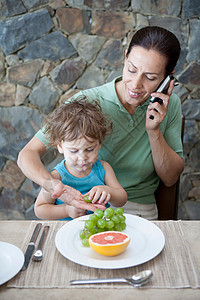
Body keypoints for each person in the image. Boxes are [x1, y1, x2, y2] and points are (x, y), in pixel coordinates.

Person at [18, 26, 184, 220]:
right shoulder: (87, 103)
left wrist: (153, 131)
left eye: (150, 77)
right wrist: (51, 185)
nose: (135, 84)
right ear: (125, 57)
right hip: (90, 206)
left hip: (139, 206)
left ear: (167, 78)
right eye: (131, 69)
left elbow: (170, 178)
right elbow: (27, 154)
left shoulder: (169, 106)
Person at [34, 98, 127, 220]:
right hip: (67, 230)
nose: (82, 157)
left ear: (99, 144)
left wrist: (108, 191)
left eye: (89, 149)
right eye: (74, 151)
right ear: (61, 147)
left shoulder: (104, 169)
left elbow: (122, 199)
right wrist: (67, 210)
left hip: (98, 230)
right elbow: (40, 209)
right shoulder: (57, 177)